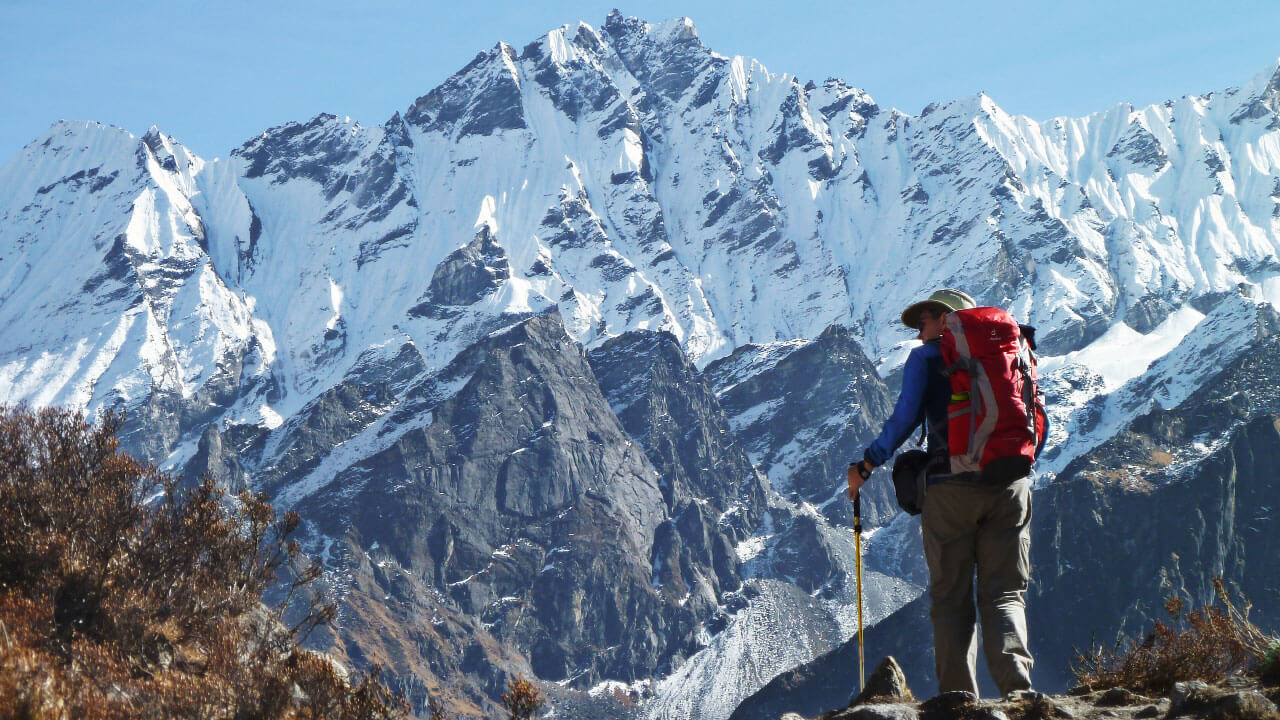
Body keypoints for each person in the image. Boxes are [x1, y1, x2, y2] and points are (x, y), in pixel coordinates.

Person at [846, 288, 1034, 697]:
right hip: (1011, 485)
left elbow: (905, 418)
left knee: (951, 598)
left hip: (951, 489)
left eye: (923, 322)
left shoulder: (928, 357)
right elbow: (1035, 422)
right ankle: (1020, 696)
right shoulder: (1010, 352)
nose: (918, 334)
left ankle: (959, 702)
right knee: (1004, 594)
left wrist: (866, 464)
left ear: (945, 319)